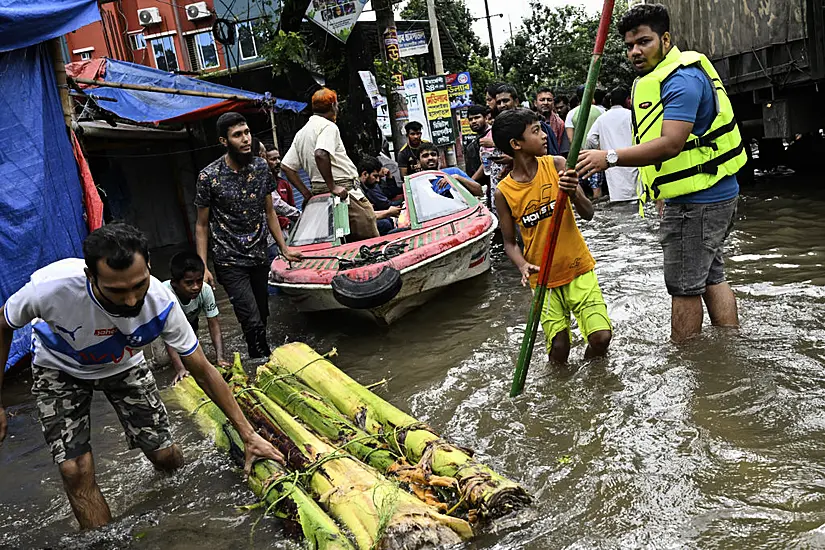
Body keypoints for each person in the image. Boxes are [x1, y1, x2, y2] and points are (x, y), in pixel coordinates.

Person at [0, 224, 282, 530]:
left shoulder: (161, 302)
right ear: (90, 277)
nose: (132, 301)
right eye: (117, 291)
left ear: (149, 267)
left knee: (163, 456)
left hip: (123, 363)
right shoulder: (50, 289)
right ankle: (105, 540)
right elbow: (3, 324)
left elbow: (203, 370)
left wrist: (248, 435)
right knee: (74, 469)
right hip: (59, 366)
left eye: (139, 285)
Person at [576, 3, 746, 342]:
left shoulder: (680, 80)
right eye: (629, 45)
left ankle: (687, 361)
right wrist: (662, 193)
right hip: (709, 193)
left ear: (665, 39)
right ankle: (727, 350)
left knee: (684, 287)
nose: (635, 52)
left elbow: (671, 144)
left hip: (698, 201)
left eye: (644, 42)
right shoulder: (673, 74)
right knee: (712, 275)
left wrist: (607, 157)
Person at [493, 109, 612, 363]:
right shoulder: (504, 191)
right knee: (559, 348)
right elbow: (509, 243)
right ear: (516, 144)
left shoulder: (558, 165)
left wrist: (574, 193)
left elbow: (588, 213)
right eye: (535, 131)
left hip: (577, 267)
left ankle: (593, 375)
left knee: (601, 337)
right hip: (543, 278)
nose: (544, 135)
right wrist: (522, 264)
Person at [195, 112, 301, 359]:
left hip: (259, 253)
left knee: (262, 314)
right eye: (237, 135)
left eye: (247, 133)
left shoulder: (261, 167)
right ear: (224, 141)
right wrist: (203, 266)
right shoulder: (208, 177)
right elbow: (201, 225)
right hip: (228, 259)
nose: (245, 139)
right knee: (250, 319)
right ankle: (264, 363)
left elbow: (269, 211)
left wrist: (284, 248)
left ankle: (259, 356)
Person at [281, 88, 380, 242]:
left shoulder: (302, 132)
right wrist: (332, 186)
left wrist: (307, 194)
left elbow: (287, 167)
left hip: (319, 197)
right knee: (369, 237)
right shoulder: (328, 127)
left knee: (337, 242)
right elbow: (320, 153)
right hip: (343, 192)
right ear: (334, 105)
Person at [163, 251, 227, 383]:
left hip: (189, 323)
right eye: (189, 283)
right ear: (175, 283)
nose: (196, 287)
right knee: (163, 361)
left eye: (199, 281)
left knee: (191, 356)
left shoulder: (206, 290)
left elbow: (214, 325)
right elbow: (169, 337)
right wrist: (180, 369)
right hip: (161, 330)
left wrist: (220, 358)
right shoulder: (165, 295)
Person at [584, 86, 640, 204]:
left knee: (618, 205)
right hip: (633, 161)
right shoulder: (632, 115)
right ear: (627, 100)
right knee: (638, 202)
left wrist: (599, 151)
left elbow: (590, 139)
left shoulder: (602, 118)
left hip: (612, 166)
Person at [566, 85, 606, 198]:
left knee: (579, 191)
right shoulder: (601, 111)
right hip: (597, 156)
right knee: (597, 189)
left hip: (580, 158)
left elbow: (571, 139)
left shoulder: (571, 114)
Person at [499, 84, 560, 156]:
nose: (502, 105)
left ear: (516, 102)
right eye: (498, 102)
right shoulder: (498, 127)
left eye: (505, 101)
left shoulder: (531, 122)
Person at [417, 142, 484, 197]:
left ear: (439, 158)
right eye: (425, 156)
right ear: (418, 162)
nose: (430, 158)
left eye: (433, 154)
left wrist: (456, 178)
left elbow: (479, 191)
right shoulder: (416, 183)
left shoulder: (453, 172)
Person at [357, 156, 402, 235]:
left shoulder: (369, 186)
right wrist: (388, 212)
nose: (378, 180)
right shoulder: (357, 190)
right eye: (375, 176)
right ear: (365, 174)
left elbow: (391, 193)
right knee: (386, 223)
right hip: (361, 226)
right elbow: (366, 217)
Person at [535, 87, 567, 153]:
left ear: (553, 103)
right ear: (535, 103)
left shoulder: (559, 123)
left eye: (549, 100)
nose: (546, 103)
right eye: (542, 100)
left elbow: (563, 149)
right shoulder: (529, 120)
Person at [465, 104, 490, 182]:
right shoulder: (473, 143)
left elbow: (487, 163)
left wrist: (471, 182)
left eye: (477, 117)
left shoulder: (492, 135)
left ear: (486, 118)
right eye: (470, 119)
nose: (473, 121)